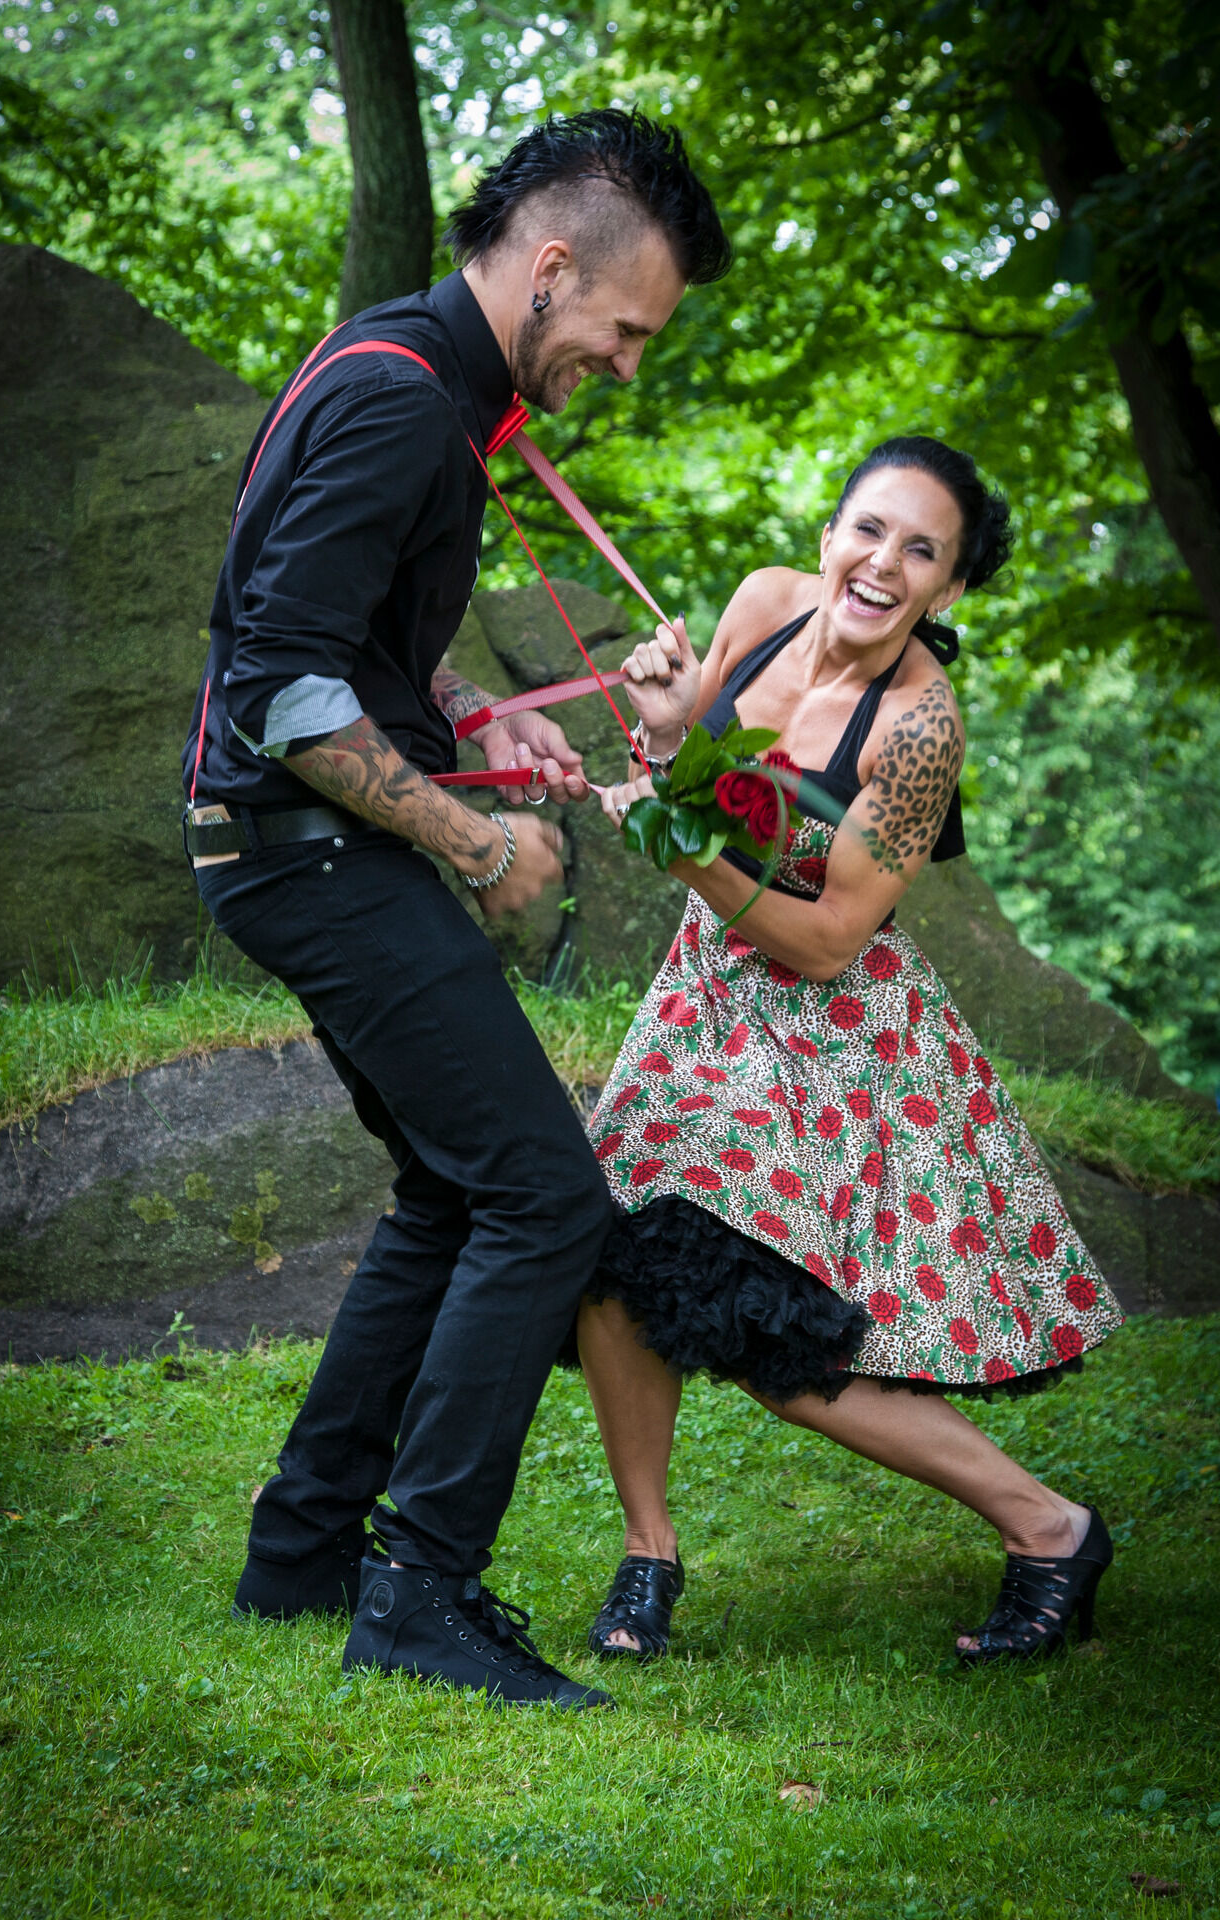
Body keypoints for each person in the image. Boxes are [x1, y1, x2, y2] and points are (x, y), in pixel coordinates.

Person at [181, 109, 730, 1708]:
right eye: (626, 329)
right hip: (303, 853)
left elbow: (341, 639)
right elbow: (279, 680)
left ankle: (303, 1555)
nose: (624, 364)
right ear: (551, 269)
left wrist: (468, 715)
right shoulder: (404, 405)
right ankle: (419, 1594)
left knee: (451, 1187)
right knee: (546, 1197)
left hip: (290, 845)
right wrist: (478, 847)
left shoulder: (405, 369)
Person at [580, 437, 1123, 1668]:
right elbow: (682, 784)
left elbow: (829, 940)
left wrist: (683, 852)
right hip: (704, 996)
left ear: (948, 586)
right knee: (611, 1251)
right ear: (827, 535)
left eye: (920, 551)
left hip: (838, 1040)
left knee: (773, 1333)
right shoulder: (761, 606)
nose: (882, 563)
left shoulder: (920, 727)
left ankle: (1049, 1528)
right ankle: (647, 1554)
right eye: (867, 529)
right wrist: (661, 737)